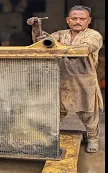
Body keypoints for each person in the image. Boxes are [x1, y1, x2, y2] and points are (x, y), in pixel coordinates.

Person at [27, 5, 103, 153]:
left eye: (82, 19)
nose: (78, 21)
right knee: (55, 112)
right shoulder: (61, 34)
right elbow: (41, 44)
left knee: (88, 114)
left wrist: (58, 46)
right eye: (74, 18)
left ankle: (92, 139)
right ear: (68, 20)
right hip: (62, 80)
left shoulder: (94, 35)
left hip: (84, 81)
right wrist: (37, 28)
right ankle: (49, 137)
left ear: (89, 21)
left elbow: (84, 49)